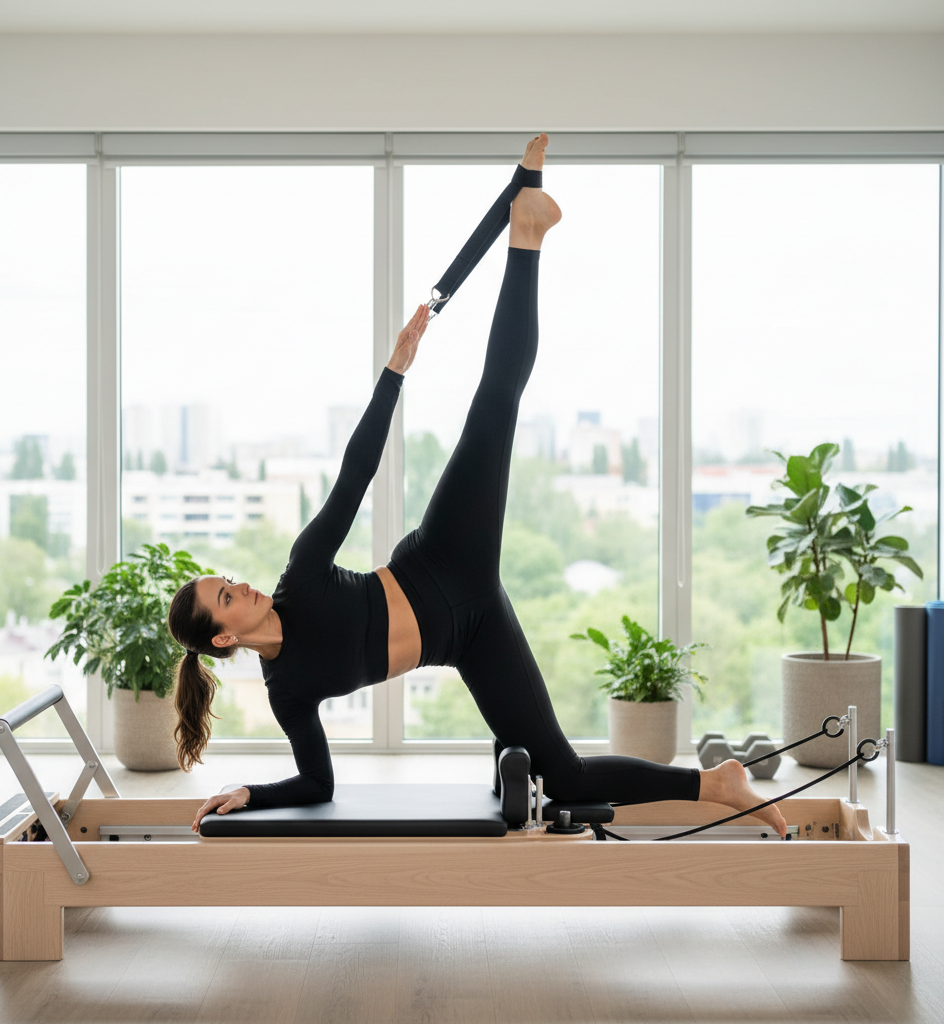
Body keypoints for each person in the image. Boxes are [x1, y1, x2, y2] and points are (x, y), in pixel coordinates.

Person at [168, 134, 787, 839]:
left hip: (443, 559)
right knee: (565, 776)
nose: (241, 586)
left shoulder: (300, 576)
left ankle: (528, 237)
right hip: (471, 630)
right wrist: (251, 793)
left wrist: (396, 368)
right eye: (226, 596)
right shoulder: (290, 691)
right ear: (223, 639)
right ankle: (718, 782)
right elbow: (318, 782)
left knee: (495, 404)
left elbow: (355, 474)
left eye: (229, 580)